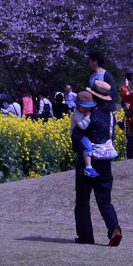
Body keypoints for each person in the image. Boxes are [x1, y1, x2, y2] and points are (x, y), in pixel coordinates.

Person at [74, 80, 122, 246]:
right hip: (105, 161)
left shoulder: (87, 113)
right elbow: (111, 137)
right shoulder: (111, 115)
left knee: (82, 200)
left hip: (87, 161)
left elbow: (77, 136)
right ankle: (115, 230)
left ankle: (86, 236)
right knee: (104, 200)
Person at [71, 91, 100, 177]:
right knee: (87, 145)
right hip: (77, 133)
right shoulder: (77, 113)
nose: (88, 109)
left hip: (82, 132)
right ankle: (88, 167)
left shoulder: (82, 110)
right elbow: (82, 126)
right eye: (85, 107)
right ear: (78, 106)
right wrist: (87, 117)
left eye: (90, 107)